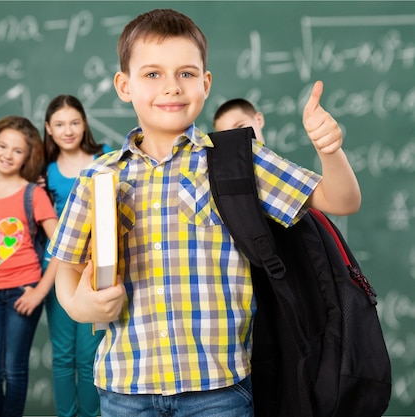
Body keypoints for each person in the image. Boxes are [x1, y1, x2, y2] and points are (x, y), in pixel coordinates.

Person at [48, 8, 361, 417]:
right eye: (153, 74)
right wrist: (80, 306)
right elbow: (66, 271)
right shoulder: (98, 175)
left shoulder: (237, 159)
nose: (172, 87)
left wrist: (330, 151)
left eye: (187, 73)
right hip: (124, 388)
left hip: (218, 391)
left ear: (206, 82)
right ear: (124, 85)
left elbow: (342, 201)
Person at [0, 115, 58, 417]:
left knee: (13, 371)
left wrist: (40, 292)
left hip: (24, 291)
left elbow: (63, 245)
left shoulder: (34, 194)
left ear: (27, 156)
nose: (7, 154)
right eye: (2, 146)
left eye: (17, 150)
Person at [43, 94, 112, 417]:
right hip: (58, 270)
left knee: (89, 354)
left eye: (74, 122)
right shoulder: (43, 172)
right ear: (49, 129)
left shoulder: (106, 159)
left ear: (84, 123)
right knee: (62, 355)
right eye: (59, 124)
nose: (68, 130)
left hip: (97, 270)